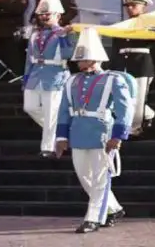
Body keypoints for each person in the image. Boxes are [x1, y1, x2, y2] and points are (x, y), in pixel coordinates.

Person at [55, 27, 135, 234]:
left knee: (100, 177)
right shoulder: (71, 80)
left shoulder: (113, 79)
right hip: (78, 131)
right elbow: (64, 109)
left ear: (97, 59)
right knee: (84, 176)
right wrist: (61, 136)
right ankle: (114, 208)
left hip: (102, 131)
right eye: (79, 60)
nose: (80, 64)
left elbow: (124, 109)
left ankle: (93, 218)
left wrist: (118, 136)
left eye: (84, 59)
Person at [22, 0, 75, 158]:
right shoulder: (35, 34)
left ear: (58, 15)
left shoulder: (65, 32)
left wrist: (64, 36)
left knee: (52, 112)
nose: (45, 17)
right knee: (29, 107)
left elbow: (69, 54)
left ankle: (49, 147)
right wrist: (26, 78)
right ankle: (63, 131)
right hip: (35, 74)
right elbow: (29, 58)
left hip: (55, 74)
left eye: (49, 14)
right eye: (42, 14)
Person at [110, 0, 155, 134]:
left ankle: (135, 128)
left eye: (134, 5)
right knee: (125, 96)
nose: (130, 8)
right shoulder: (122, 25)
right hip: (124, 63)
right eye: (128, 6)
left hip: (141, 63)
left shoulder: (149, 24)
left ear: (144, 7)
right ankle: (148, 115)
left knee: (139, 96)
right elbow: (116, 47)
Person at [0, 0, 29, 75]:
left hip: (12, 33)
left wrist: (2, 2)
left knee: (13, 57)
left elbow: (17, 10)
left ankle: (15, 75)